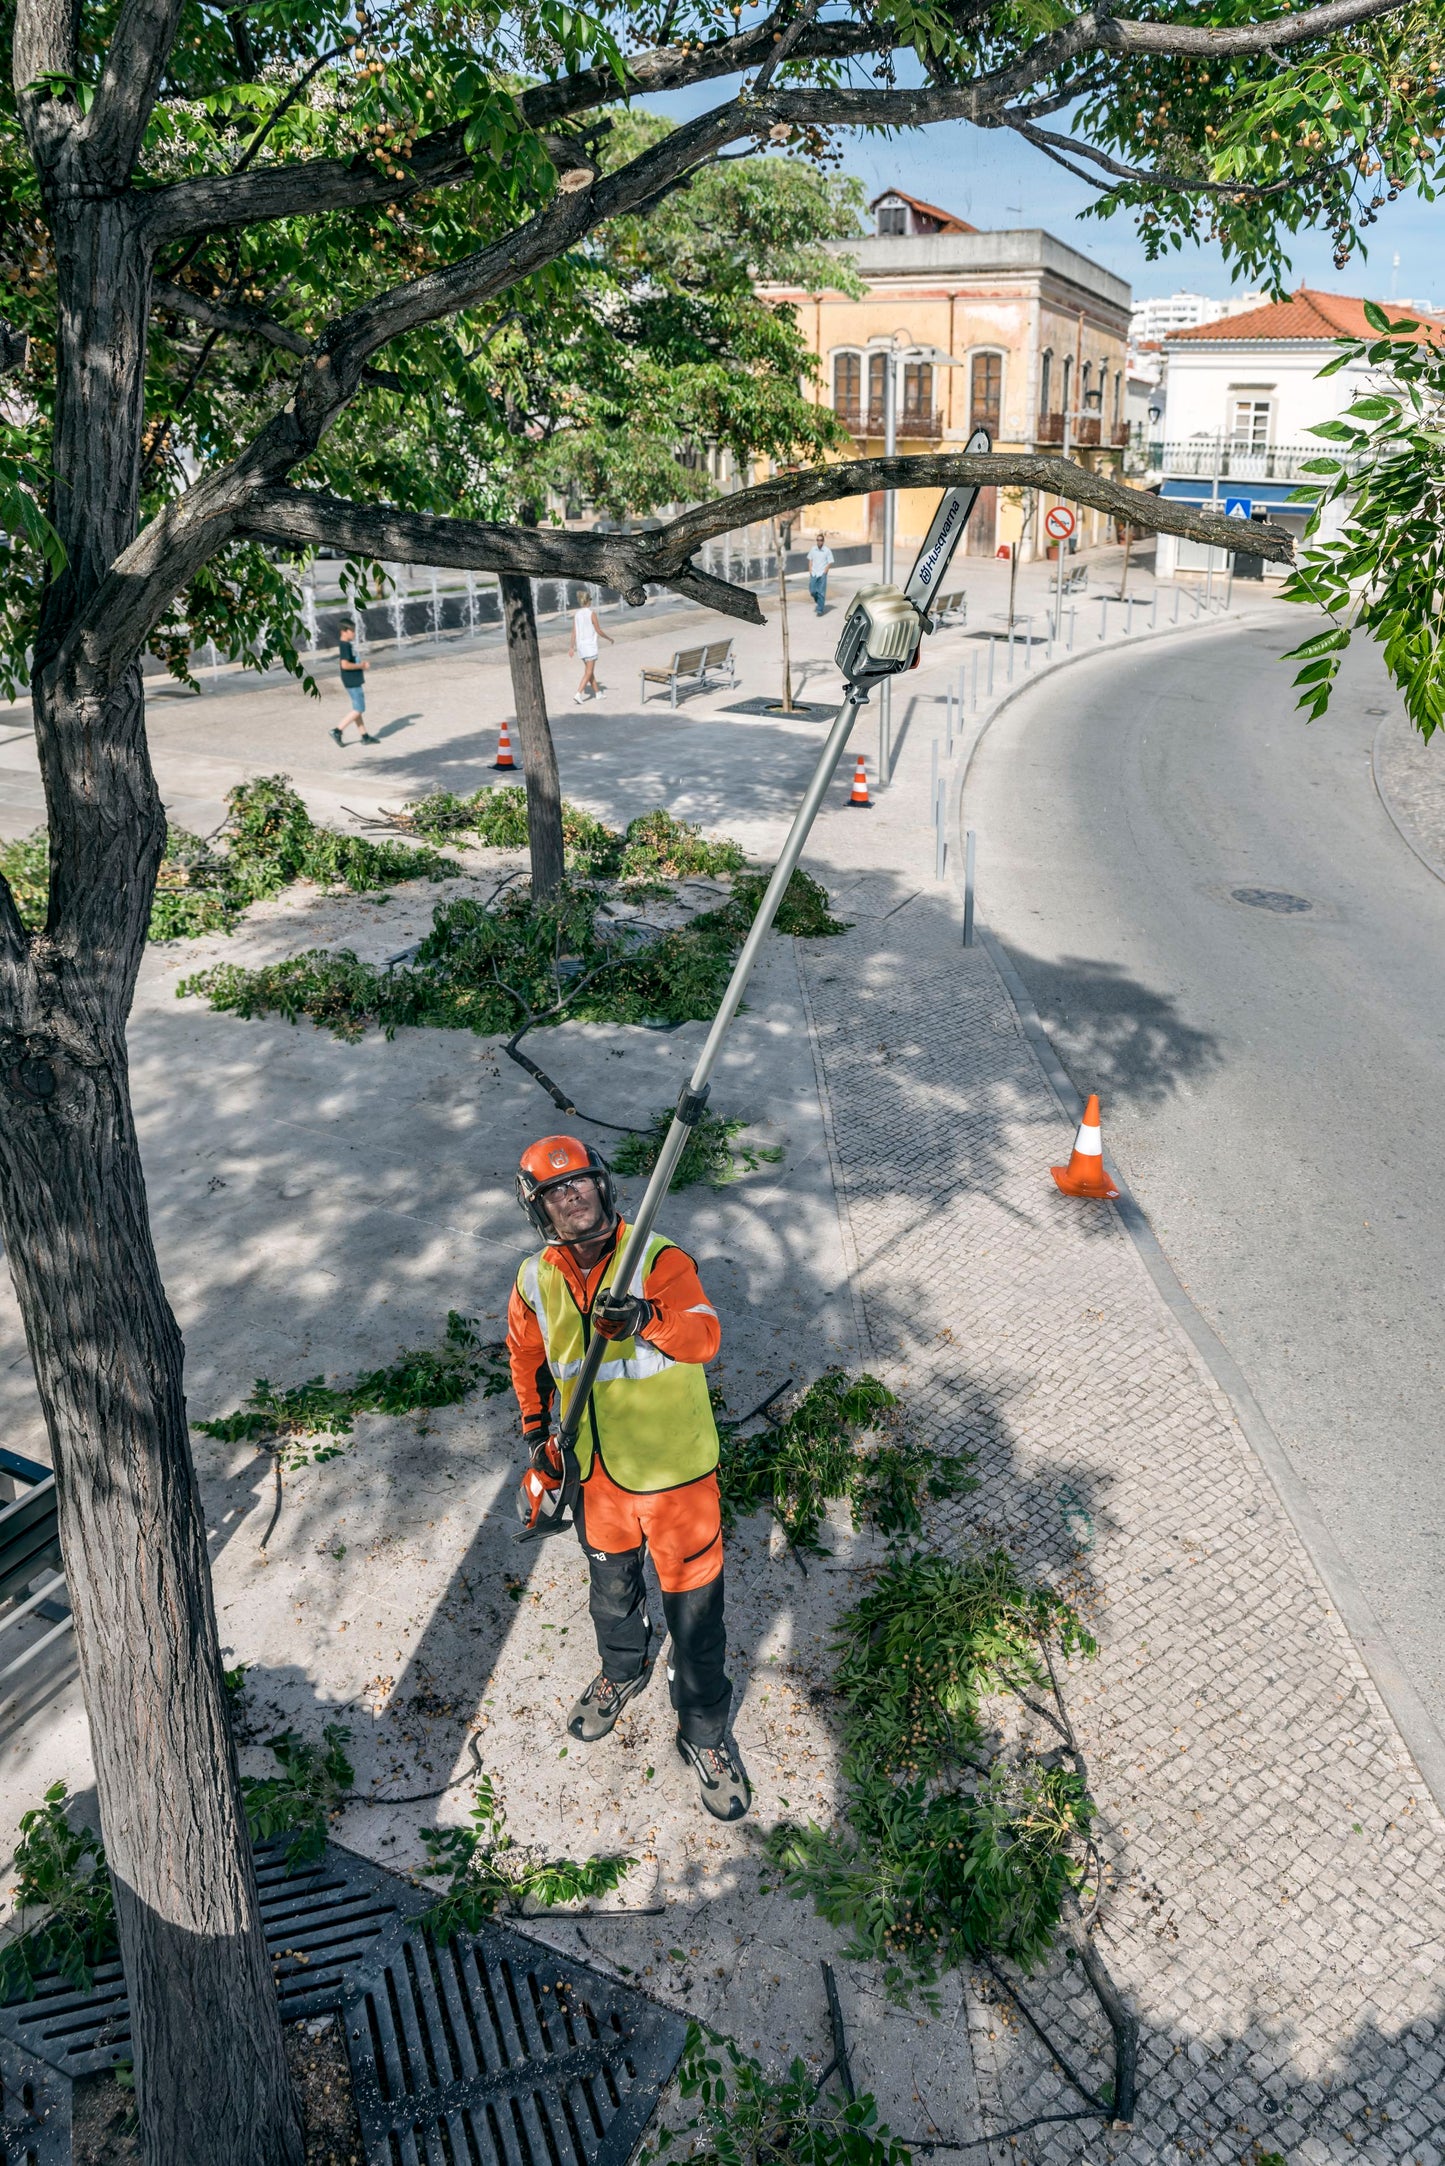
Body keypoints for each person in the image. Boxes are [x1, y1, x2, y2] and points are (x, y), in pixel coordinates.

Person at [507, 1134, 750, 1821]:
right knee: (611, 1598)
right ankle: (623, 1670)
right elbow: (526, 1356)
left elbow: (705, 1337)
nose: (571, 1197)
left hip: (677, 1483)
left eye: (580, 1182)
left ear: (603, 1185)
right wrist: (537, 1436)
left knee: (695, 1620)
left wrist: (645, 1319)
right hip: (597, 1480)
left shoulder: (658, 1258)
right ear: (538, 1208)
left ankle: (704, 1733)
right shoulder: (534, 1278)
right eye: (555, 1191)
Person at [331, 621, 376, 746]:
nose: (354, 633)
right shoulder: (345, 645)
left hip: (350, 679)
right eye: (352, 631)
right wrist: (361, 665)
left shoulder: (345, 644)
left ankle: (364, 736)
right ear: (344, 632)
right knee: (359, 709)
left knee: (357, 708)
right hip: (352, 680)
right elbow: (345, 665)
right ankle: (337, 730)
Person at [569, 588, 613, 704]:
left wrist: (571, 647)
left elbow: (574, 632)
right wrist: (609, 638)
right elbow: (598, 630)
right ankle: (578, 694)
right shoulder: (591, 614)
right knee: (588, 672)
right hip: (590, 647)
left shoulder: (577, 615)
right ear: (588, 601)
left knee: (590, 671)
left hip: (581, 647)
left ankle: (598, 693)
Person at [807, 534, 835, 616]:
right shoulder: (813, 549)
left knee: (821, 592)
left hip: (822, 573)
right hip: (814, 573)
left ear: (823, 541)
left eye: (821, 540)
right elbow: (810, 560)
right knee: (812, 591)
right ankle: (819, 601)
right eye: (818, 540)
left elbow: (830, 561)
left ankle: (820, 609)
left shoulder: (827, 550)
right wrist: (810, 570)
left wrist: (825, 571)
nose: (819, 542)